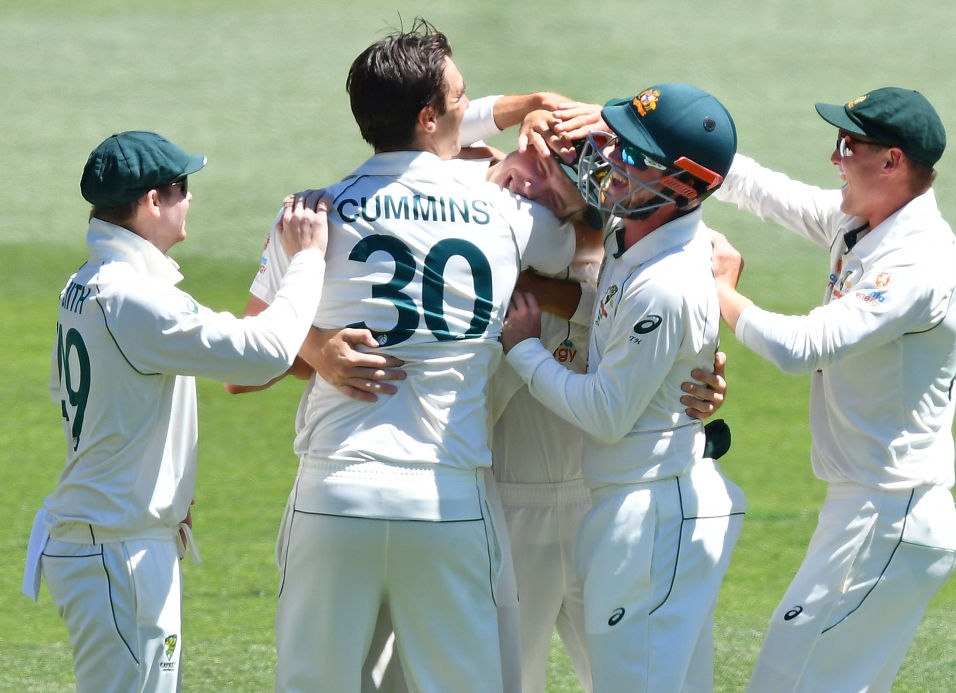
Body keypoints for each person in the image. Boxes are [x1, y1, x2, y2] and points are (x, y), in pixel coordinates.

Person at [255, 21, 576, 693]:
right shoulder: (509, 216)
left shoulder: (312, 213)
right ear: (429, 116)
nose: (470, 105)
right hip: (447, 499)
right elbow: (578, 267)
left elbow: (250, 356)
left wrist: (317, 346)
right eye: (461, 96)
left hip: (334, 491)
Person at [21, 130, 330, 693]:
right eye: (181, 187)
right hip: (118, 549)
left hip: (114, 538)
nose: (191, 199)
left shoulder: (86, 284)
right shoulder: (135, 298)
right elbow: (263, 355)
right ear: (150, 202)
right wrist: (307, 259)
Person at [710, 86, 956, 692]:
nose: (835, 158)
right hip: (875, 511)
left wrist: (719, 287)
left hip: (887, 515)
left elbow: (801, 348)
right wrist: (673, 144)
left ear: (892, 162)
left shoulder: (916, 262)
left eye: (848, 145)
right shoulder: (863, 219)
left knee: (783, 681)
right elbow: (763, 190)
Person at [500, 83, 747, 693]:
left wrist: (524, 345)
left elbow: (608, 413)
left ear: (680, 187)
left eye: (634, 156)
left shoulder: (664, 279)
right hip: (631, 504)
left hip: (649, 511)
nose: (613, 162)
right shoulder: (628, 233)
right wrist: (535, 113)